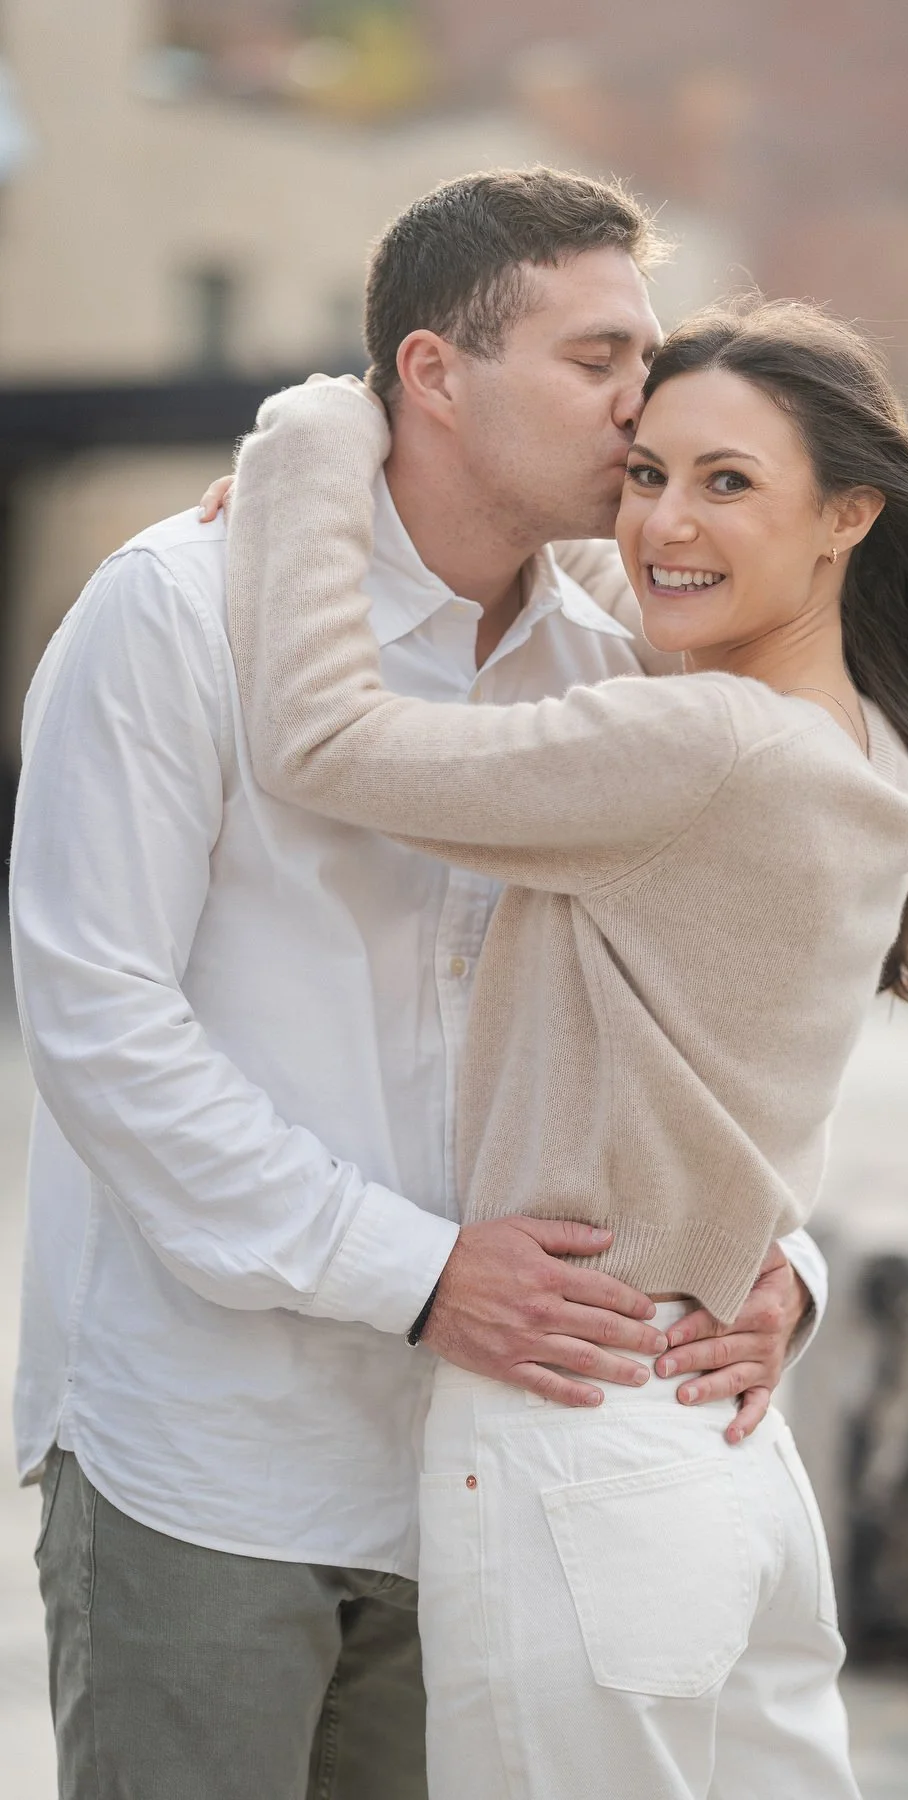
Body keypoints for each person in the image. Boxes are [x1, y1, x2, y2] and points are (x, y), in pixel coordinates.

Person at [8, 170, 828, 1800]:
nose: (642, 403)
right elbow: (100, 1025)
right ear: (433, 375)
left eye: (648, 358)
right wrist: (418, 1271)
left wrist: (783, 1259)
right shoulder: (177, 614)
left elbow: (733, 1014)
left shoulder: (625, 663)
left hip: (506, 1473)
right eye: (595, 360)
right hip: (214, 1455)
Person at [220, 299, 908, 1798]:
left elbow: (317, 738)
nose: (663, 522)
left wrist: (311, 445)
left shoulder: (699, 748)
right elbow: (637, 584)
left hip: (576, 1441)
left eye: (728, 482)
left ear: (848, 515)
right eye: (645, 474)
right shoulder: (870, 742)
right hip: (720, 1459)